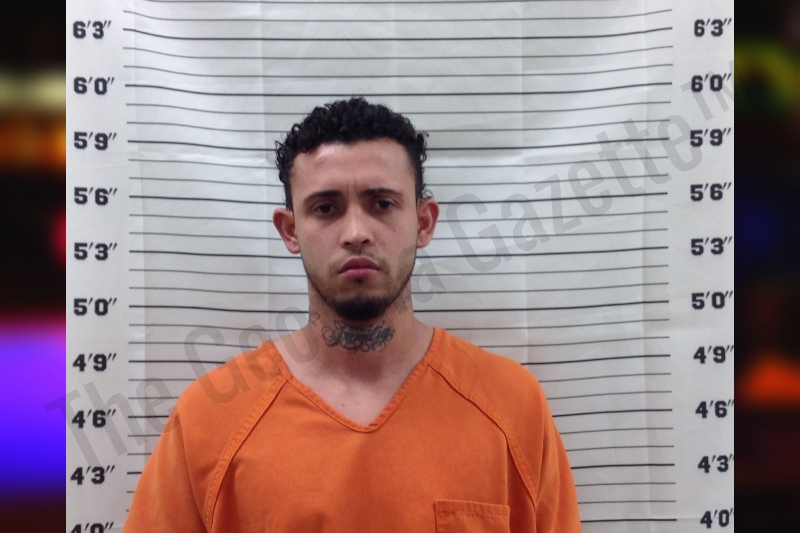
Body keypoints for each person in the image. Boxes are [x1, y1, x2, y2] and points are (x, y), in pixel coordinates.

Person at [125, 97, 581, 532]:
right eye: (326, 208)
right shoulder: (208, 421)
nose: (357, 232)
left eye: (382, 204)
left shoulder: (513, 407)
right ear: (290, 230)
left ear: (423, 223)